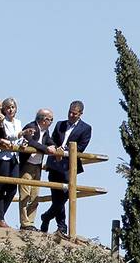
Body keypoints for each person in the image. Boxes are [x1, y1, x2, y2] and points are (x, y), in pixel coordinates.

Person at [40, 101, 92, 236]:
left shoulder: (86, 128)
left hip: (69, 166)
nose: (71, 115)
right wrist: (56, 149)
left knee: (64, 197)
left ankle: (46, 216)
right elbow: (52, 140)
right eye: (70, 112)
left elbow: (81, 147)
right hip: (54, 164)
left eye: (74, 113)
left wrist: (66, 150)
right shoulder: (60, 124)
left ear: (80, 114)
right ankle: (61, 226)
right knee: (56, 197)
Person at [17, 108, 55, 231]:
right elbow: (31, 142)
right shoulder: (31, 127)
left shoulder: (46, 131)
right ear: (44, 119)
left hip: (38, 165)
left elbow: (48, 141)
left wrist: (53, 146)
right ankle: (24, 222)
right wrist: (46, 149)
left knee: (35, 195)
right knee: (25, 194)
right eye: (50, 119)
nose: (51, 122)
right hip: (27, 164)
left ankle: (31, 221)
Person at [0, 97, 24, 228]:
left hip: (14, 157)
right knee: (1, 187)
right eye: (8, 107)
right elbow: (7, 136)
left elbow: (17, 140)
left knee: (12, 188)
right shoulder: (1, 121)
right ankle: (0, 217)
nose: (10, 109)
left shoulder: (18, 122)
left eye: (13, 107)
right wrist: (21, 134)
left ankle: (0, 216)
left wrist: (23, 141)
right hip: (1, 157)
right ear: (4, 109)